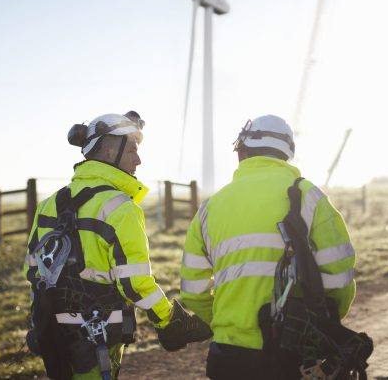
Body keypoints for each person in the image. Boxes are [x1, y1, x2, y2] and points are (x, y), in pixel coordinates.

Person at [24, 111, 211, 380]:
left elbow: (32, 271)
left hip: (52, 335)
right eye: (132, 150)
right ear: (110, 153)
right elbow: (135, 282)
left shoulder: (48, 204)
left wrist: (38, 321)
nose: (139, 159)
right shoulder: (121, 208)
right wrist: (170, 321)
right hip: (96, 337)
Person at [179, 115, 357, 380]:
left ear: (242, 151)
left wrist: (226, 322)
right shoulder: (310, 197)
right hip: (293, 350)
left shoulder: (210, 207)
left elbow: (193, 291)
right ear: (287, 154)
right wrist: (320, 326)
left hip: (228, 353)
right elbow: (339, 278)